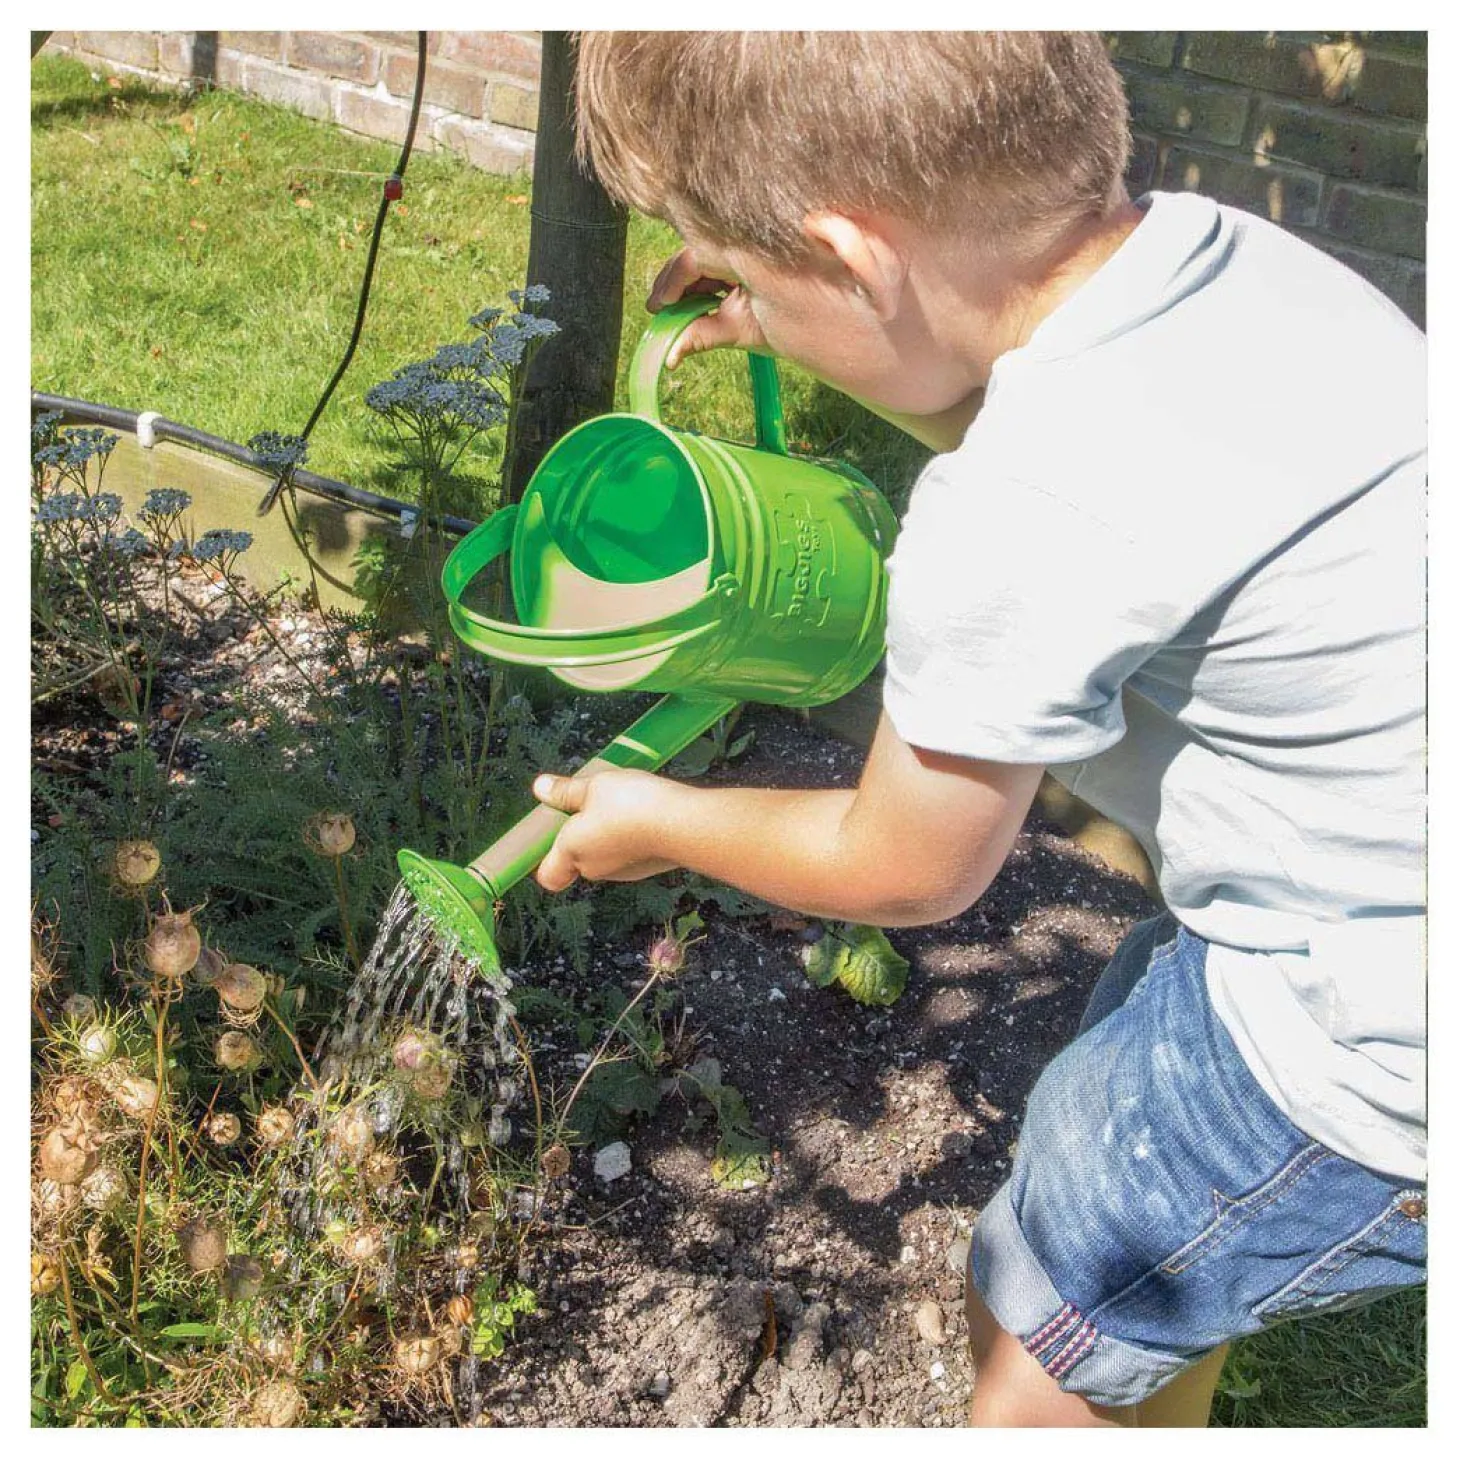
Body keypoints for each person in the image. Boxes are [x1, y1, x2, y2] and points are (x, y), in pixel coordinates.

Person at [528, 32, 1427, 1426]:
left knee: (1051, 1307)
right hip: (1383, 892)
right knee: (1131, 1206)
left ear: (856, 257)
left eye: (752, 272)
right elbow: (1065, 452)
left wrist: (662, 821)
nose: (740, 300)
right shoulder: (1226, 258)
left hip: (1360, 1048)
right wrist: (809, 313)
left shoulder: (1017, 513)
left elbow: (906, 867)